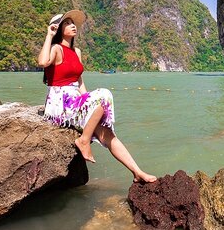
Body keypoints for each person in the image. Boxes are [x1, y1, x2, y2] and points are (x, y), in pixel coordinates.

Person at [37, 10, 156, 183]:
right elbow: (42, 62)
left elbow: (79, 81)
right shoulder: (55, 48)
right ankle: (84, 140)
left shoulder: (76, 51)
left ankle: (137, 172)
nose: (72, 25)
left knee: (107, 134)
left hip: (75, 101)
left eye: (73, 23)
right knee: (104, 95)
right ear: (58, 29)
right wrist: (49, 35)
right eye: (67, 23)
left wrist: (89, 105)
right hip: (60, 103)